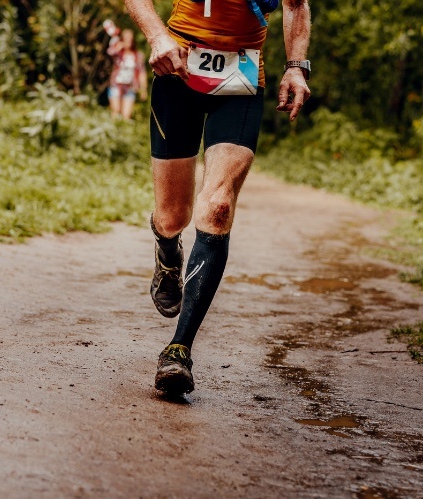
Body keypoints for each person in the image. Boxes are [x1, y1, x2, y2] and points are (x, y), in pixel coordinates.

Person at [125, 0, 311, 395]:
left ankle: (179, 350)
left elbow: (296, 4)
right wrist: (157, 36)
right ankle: (167, 250)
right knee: (173, 217)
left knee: (218, 208)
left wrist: (296, 67)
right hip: (178, 67)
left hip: (242, 76)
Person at [107, 27, 148, 120]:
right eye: (126, 38)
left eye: (130, 38)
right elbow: (110, 52)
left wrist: (143, 89)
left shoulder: (138, 56)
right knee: (115, 112)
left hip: (130, 87)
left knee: (126, 115)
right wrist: (118, 46)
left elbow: (142, 73)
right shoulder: (118, 53)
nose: (128, 40)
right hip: (116, 85)